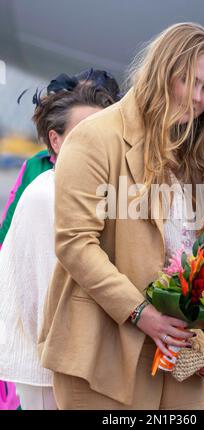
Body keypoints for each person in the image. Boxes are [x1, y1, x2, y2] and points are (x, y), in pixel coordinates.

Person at [38, 22, 204, 410]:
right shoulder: (94, 138)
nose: (198, 98)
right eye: (189, 81)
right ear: (162, 74)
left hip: (180, 358)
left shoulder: (201, 154)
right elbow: (75, 244)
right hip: (102, 356)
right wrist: (141, 313)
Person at [0, 71, 120, 410]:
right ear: (56, 141)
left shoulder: (120, 190)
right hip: (48, 357)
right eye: (83, 135)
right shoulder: (40, 186)